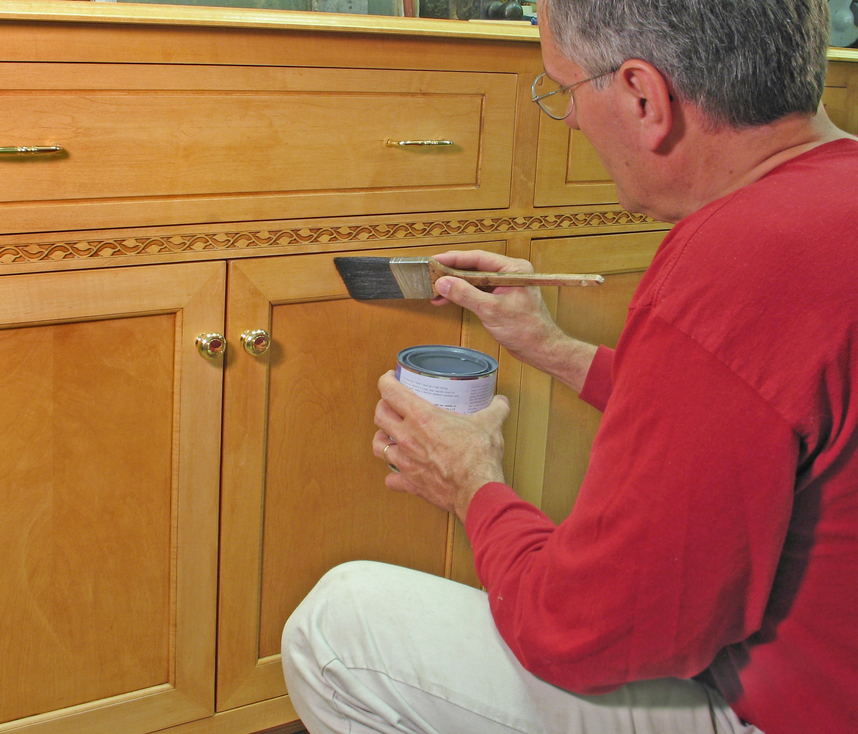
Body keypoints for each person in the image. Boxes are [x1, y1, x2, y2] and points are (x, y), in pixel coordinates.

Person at [281, 0, 858, 732]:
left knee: (337, 626)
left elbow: (591, 632)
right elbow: (755, 414)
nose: (573, 119)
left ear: (645, 96)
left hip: (792, 714)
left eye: (566, 88)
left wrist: (472, 483)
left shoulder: (740, 260)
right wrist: (551, 347)